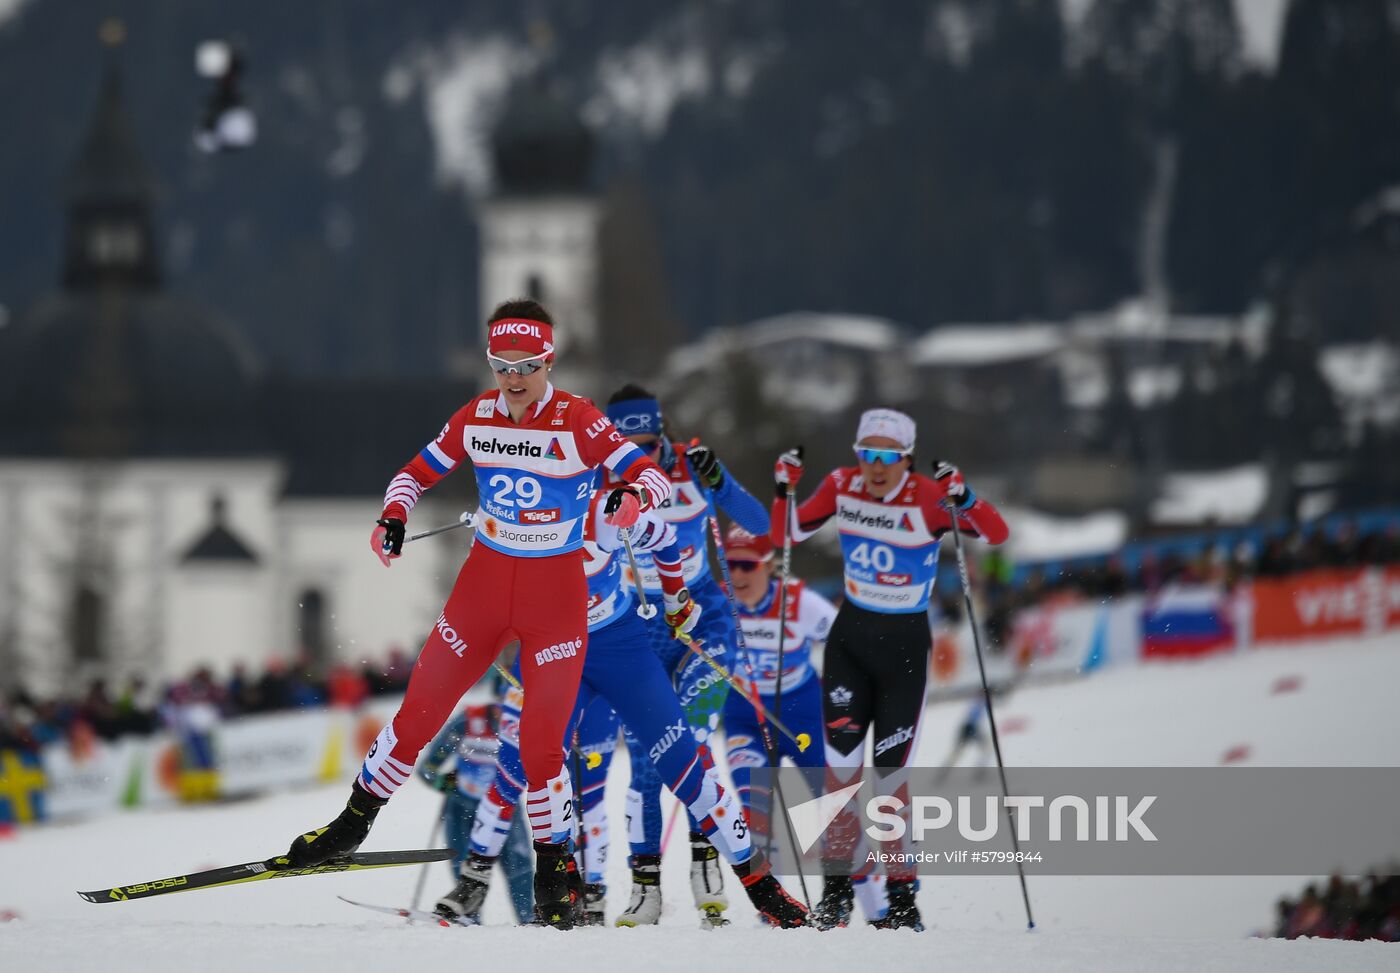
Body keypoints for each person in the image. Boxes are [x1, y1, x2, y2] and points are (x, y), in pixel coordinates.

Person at [282, 298, 682, 929]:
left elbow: (650, 476)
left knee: (542, 747)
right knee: (416, 717)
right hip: (484, 591)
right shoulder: (476, 417)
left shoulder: (578, 420)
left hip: (556, 600)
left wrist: (630, 495)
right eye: (502, 365)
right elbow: (413, 473)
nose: (514, 379)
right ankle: (348, 829)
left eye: (526, 365)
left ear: (548, 361)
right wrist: (392, 517)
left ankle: (557, 877)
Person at [433, 487, 808, 929]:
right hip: (556, 655)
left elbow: (666, 538)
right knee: (523, 764)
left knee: (684, 768)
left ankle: (760, 885)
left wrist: (676, 599)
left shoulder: (604, 509)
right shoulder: (510, 516)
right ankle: (495, 883)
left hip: (620, 653)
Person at [771, 408, 1009, 930]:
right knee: (840, 774)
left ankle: (902, 899)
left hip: (903, 650)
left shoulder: (927, 496)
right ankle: (837, 890)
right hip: (849, 644)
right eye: (867, 455)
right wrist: (783, 488)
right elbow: (786, 533)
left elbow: (994, 533)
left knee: (889, 778)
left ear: (906, 458)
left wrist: (964, 497)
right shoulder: (840, 485)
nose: (876, 467)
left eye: (887, 457)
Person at [602, 386, 772, 925]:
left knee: (691, 746)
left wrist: (718, 478)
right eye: (629, 449)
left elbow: (759, 522)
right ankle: (645, 884)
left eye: (649, 447)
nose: (640, 460)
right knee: (650, 766)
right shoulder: (600, 473)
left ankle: (705, 864)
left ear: (662, 435)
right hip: (639, 626)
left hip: (702, 618)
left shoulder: (691, 467)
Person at [723, 524, 889, 925]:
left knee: (837, 811)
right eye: (731, 566)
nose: (739, 576)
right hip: (745, 715)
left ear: (768, 565)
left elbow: (850, 644)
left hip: (803, 715)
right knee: (753, 815)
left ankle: (880, 911)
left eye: (747, 565)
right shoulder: (719, 602)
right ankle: (777, 914)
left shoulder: (800, 603)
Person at [418, 699, 533, 924]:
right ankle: (470, 921)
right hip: (463, 811)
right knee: (467, 876)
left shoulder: (526, 723)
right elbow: (427, 769)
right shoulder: (468, 721)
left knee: (520, 872)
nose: (505, 714)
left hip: (506, 809)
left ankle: (529, 921)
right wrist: (445, 783)